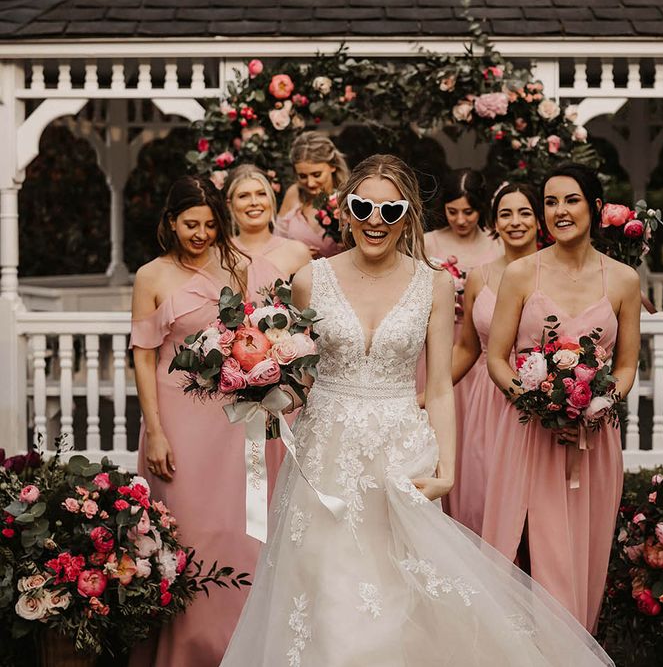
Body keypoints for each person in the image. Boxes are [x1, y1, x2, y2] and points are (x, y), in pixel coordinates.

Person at [221, 155, 613, 666]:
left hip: (400, 453)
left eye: (390, 210)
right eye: (363, 207)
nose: (374, 221)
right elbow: (303, 382)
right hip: (325, 462)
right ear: (346, 211)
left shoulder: (433, 284)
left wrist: (447, 468)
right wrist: (259, 386)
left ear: (407, 215)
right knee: (326, 591)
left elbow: (441, 387)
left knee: (398, 594)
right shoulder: (310, 281)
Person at [484, 163, 641, 634]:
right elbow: (497, 358)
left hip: (593, 440)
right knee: (530, 555)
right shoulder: (519, 274)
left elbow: (629, 364)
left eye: (570, 200)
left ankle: (574, 647)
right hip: (531, 436)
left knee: (584, 559)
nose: (559, 211)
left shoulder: (624, 280)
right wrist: (541, 407)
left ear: (593, 208)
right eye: (550, 202)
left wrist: (598, 405)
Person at [130, 176, 258, 665]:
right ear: (170, 223)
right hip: (175, 417)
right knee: (182, 532)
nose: (201, 234)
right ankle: (179, 652)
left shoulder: (237, 267)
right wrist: (156, 431)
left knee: (230, 530)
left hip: (226, 415)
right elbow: (143, 357)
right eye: (190, 225)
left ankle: (233, 647)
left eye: (208, 224)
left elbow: (250, 332)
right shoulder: (151, 276)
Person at [450, 182, 540, 535]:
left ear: (538, 220)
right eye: (506, 214)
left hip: (541, 398)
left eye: (524, 212)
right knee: (485, 500)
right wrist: (428, 394)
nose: (515, 221)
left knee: (535, 509)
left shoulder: (558, 273)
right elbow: (467, 349)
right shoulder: (479, 277)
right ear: (494, 223)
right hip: (488, 402)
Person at [225, 164, 311, 502]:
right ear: (230, 203)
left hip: (285, 378)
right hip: (235, 381)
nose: (254, 202)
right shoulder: (221, 253)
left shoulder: (297, 252)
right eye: (244, 195)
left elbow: (308, 321)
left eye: (261, 193)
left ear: (273, 200)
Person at [422, 169, 502, 519]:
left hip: (481, 353)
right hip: (435, 349)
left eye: (468, 212)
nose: (460, 219)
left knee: (475, 448)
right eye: (453, 211)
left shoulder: (497, 244)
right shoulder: (428, 243)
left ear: (480, 209)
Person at [275, 130, 349, 258]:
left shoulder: (347, 197)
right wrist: (296, 253)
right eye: (302, 176)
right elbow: (277, 240)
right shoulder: (294, 193)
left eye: (316, 175)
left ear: (332, 166)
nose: (310, 183)